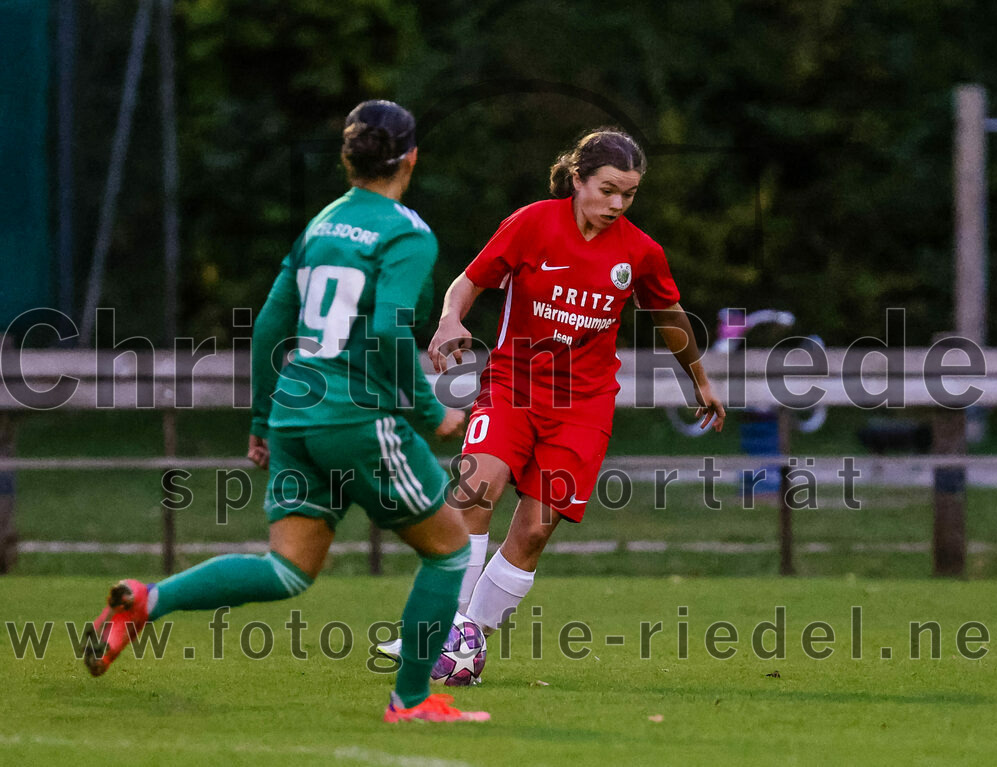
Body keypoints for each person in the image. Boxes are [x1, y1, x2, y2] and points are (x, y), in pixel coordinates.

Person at [84, 100, 489, 724]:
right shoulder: (406, 232)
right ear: (411, 158)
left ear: (348, 158)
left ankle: (146, 601)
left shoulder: (322, 225)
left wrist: (261, 420)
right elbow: (388, 329)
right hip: (357, 416)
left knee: (289, 568)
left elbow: (272, 324)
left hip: (296, 415)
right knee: (450, 551)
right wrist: (427, 409)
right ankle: (410, 701)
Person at [377, 127, 726, 667]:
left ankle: (466, 640)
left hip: (583, 407)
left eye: (629, 194)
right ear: (578, 179)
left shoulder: (640, 252)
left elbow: (669, 315)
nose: (617, 204)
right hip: (512, 387)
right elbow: (469, 282)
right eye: (607, 190)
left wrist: (699, 379)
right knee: (473, 493)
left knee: (536, 529)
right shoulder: (532, 223)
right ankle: (437, 631)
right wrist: (449, 321)